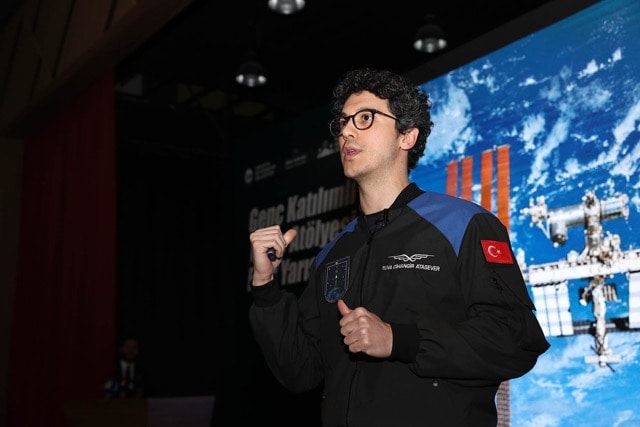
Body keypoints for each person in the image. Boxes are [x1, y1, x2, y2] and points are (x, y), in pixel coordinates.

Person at [248, 68, 550, 427]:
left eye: (365, 118)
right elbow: (301, 371)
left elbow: (516, 339)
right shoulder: (333, 254)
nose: (346, 131)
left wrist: (398, 339)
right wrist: (265, 289)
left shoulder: (464, 224)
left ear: (407, 135)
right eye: (342, 122)